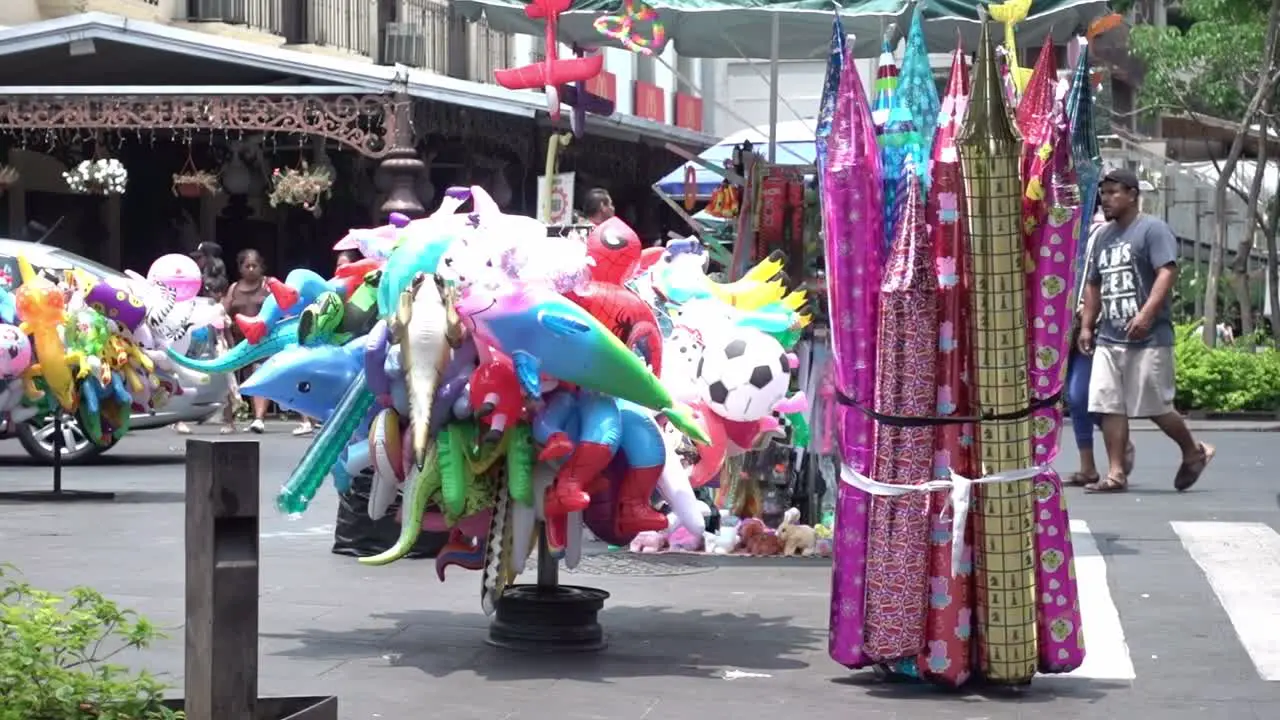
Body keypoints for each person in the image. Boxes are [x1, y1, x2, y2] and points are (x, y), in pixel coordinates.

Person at [1077, 168, 1214, 493]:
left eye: (1113, 192)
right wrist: (1086, 326)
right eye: (1103, 193)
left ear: (1133, 194)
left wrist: (1146, 314)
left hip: (1149, 337)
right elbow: (1093, 285)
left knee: (1156, 407)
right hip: (1110, 337)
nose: (1106, 199)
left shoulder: (1153, 230)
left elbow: (1166, 272)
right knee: (1108, 404)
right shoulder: (1102, 237)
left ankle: (1193, 452)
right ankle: (1116, 474)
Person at [1065, 204, 1134, 486]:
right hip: (1053, 323)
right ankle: (1088, 467)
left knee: (1080, 394)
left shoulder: (1100, 231)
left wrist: (1088, 319)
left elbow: (1102, 280)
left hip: (1088, 324)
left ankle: (1119, 449)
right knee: (1072, 397)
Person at [292, 249, 363, 437]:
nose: (341, 268)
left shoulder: (363, 289)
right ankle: (311, 420)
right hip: (332, 346)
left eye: (345, 264)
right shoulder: (330, 289)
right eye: (338, 265)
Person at [222, 249, 273, 434]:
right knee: (228, 377)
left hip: (263, 340)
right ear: (241, 268)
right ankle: (229, 421)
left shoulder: (268, 285)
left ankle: (258, 418)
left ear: (261, 266)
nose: (251, 269)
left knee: (258, 374)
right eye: (247, 266)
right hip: (238, 341)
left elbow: (283, 306)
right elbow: (224, 311)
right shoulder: (234, 288)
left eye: (254, 265)